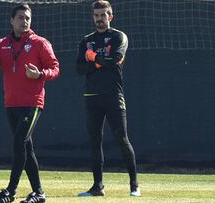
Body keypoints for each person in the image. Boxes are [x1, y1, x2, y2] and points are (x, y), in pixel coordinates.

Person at [0, 4, 59, 203]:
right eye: (20, 17)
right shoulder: (2, 44)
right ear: (12, 20)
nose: (25, 21)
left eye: (27, 17)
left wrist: (39, 74)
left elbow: (55, 68)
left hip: (33, 102)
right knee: (26, 148)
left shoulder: (40, 43)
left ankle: (10, 192)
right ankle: (38, 192)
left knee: (19, 142)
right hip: (11, 104)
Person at [75, 0, 141, 197]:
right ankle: (97, 187)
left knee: (122, 138)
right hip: (91, 96)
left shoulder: (119, 37)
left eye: (103, 15)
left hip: (113, 95)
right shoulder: (86, 40)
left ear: (110, 16)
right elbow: (79, 68)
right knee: (95, 141)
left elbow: (115, 60)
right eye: (96, 16)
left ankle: (134, 185)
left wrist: (93, 58)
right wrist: (97, 61)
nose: (100, 19)